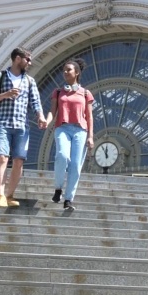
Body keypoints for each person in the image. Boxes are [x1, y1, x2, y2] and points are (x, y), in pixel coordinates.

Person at [0, 48, 50, 208]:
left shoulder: (29, 81)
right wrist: (5, 95)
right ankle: (0, 194)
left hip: (22, 125)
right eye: (27, 59)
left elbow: (35, 102)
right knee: (2, 158)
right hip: (3, 123)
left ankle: (9, 195)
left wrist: (40, 116)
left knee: (18, 161)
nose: (30, 62)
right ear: (17, 59)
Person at [49, 57, 95, 211]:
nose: (65, 72)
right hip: (62, 128)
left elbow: (89, 116)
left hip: (80, 130)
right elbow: (53, 112)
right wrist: (46, 121)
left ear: (76, 73)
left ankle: (68, 199)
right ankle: (58, 188)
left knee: (75, 165)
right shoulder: (58, 92)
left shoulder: (86, 93)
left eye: (68, 70)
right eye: (64, 70)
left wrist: (90, 136)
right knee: (62, 155)